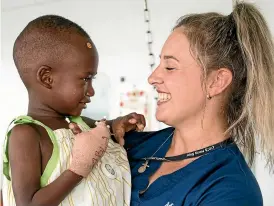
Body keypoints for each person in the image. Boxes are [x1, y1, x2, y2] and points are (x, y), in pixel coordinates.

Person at [69, 2, 274, 205]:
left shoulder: (231, 190)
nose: (152, 78)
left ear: (216, 82)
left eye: (170, 67)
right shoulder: (129, 143)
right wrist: (108, 127)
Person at [1, 15, 146, 206]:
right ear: (47, 78)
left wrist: (118, 123)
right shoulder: (26, 134)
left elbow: (105, 129)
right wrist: (78, 169)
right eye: (86, 79)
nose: (92, 91)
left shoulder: (80, 123)